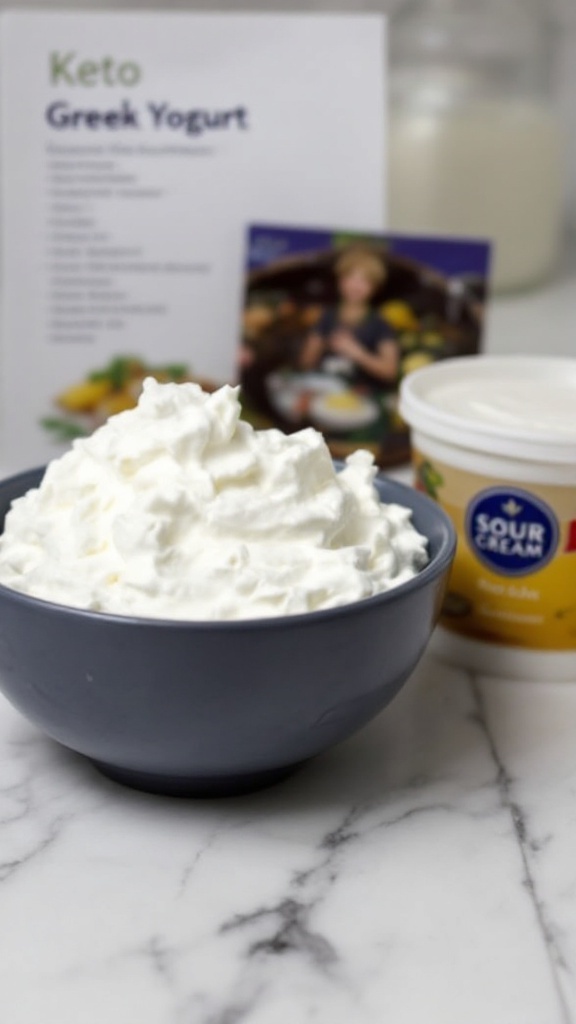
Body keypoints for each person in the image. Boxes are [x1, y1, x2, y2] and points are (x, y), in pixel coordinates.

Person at [299, 248, 399, 387]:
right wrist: (317, 347)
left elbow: (390, 372)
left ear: (375, 287)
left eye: (364, 280)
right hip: (324, 393)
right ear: (340, 281)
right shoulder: (327, 316)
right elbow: (306, 363)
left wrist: (356, 352)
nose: (355, 286)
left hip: (362, 398)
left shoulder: (380, 324)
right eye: (350, 278)